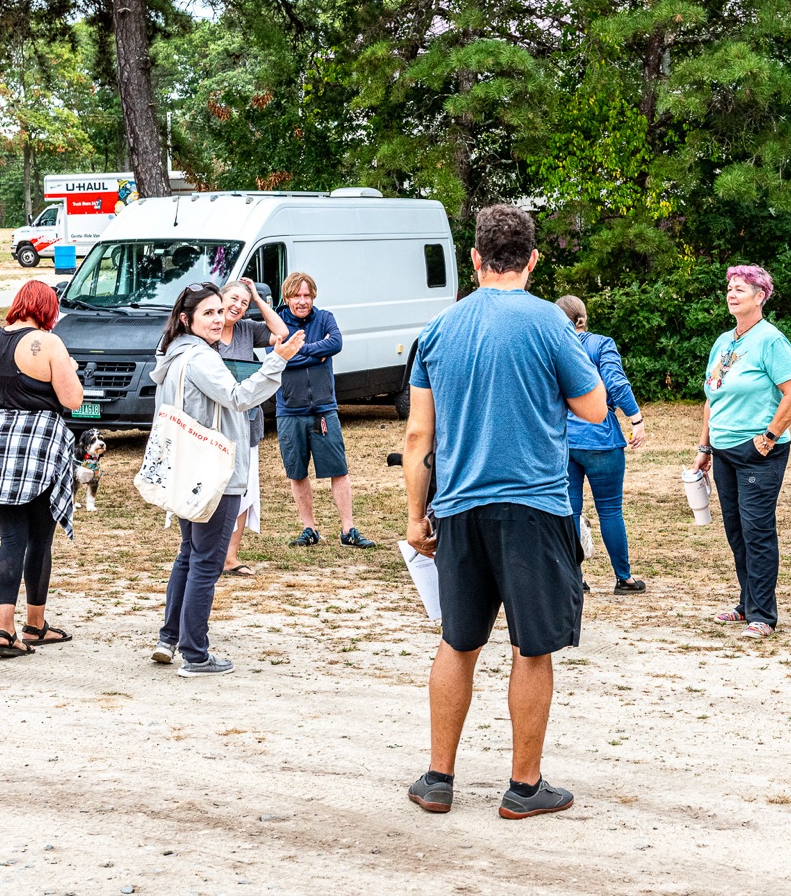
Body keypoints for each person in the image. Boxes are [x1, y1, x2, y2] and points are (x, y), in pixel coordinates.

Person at [402, 204, 606, 819]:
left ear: (474, 258)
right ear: (534, 258)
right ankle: (523, 787)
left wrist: (417, 518)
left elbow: (418, 437)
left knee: (457, 642)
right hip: (534, 506)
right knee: (531, 648)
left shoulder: (437, 330)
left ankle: (438, 778)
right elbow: (595, 408)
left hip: (459, 506)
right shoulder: (550, 323)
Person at [149, 284, 306, 676]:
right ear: (187, 319)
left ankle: (170, 637)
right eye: (209, 313)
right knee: (206, 562)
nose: (219, 319)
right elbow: (238, 397)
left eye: (221, 311)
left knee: (189, 554)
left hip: (190, 469)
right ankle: (195, 654)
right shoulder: (200, 358)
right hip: (214, 473)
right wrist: (277, 362)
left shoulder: (176, 353)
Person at [0, 281, 85, 658]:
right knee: (39, 539)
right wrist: (72, 370)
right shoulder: (49, 344)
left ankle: (6, 630)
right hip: (38, 446)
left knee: (11, 539)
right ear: (47, 310)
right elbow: (73, 399)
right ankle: (34, 624)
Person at [690, 265, 791, 640]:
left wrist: (769, 437)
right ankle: (746, 603)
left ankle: (763, 614)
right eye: (730, 288)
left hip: (758, 451)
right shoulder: (725, 341)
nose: (732, 293)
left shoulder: (771, 341)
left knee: (757, 529)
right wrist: (704, 446)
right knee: (736, 530)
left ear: (760, 297)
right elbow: (712, 396)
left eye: (741, 288)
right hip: (723, 450)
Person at [554, 295, 647, 595]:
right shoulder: (601, 344)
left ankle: (573, 577)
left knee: (569, 509)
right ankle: (624, 578)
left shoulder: (552, 346)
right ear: (583, 316)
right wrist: (636, 419)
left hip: (564, 438)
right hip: (600, 436)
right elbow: (616, 384)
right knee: (610, 510)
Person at [273, 272, 373, 549]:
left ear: (313, 296)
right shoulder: (278, 322)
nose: (302, 301)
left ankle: (348, 530)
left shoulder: (325, 317)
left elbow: (336, 343)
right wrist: (316, 353)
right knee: (297, 472)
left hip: (323, 409)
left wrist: (298, 349)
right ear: (287, 298)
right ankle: (309, 529)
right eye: (296, 296)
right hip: (289, 410)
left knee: (338, 470)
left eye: (307, 295)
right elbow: (278, 360)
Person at [216, 278, 290, 576]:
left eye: (243, 303)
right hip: (213, 424)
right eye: (233, 298)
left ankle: (230, 557)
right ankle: (209, 552)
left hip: (246, 424)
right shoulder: (204, 332)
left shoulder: (248, 329)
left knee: (244, 490)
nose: (237, 306)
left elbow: (282, 332)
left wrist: (259, 302)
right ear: (219, 298)